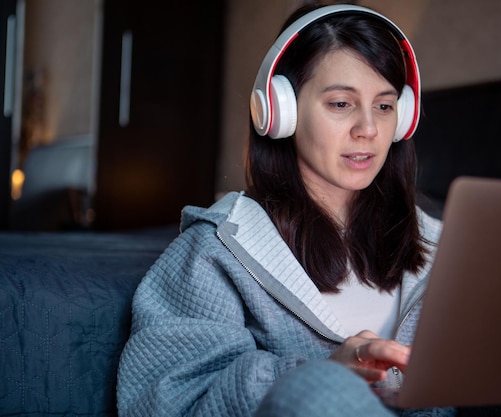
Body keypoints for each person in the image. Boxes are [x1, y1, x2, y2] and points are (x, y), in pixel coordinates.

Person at [115, 4, 449, 417]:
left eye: (383, 106)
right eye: (342, 104)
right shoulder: (216, 250)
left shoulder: (445, 246)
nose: (368, 129)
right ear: (280, 111)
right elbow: (166, 402)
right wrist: (322, 373)